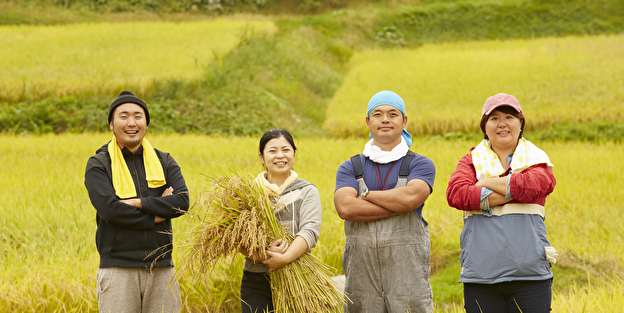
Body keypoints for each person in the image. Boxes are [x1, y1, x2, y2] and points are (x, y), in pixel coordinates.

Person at [446, 93, 557, 313]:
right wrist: (515, 191)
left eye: (509, 116)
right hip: (481, 276)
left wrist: (485, 182)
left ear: (520, 123)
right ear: (484, 126)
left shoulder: (536, 159)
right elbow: (456, 194)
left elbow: (537, 185)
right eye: (494, 118)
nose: (502, 124)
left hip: (530, 275)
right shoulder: (471, 161)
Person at [84, 91, 189, 313]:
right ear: (112, 124)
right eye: (124, 116)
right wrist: (158, 213)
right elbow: (111, 211)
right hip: (118, 269)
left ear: (146, 124)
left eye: (138, 116)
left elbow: (181, 201)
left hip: (161, 269)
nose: (131, 123)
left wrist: (137, 202)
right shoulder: (99, 164)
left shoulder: (163, 161)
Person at [334, 90, 436, 312]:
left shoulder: (420, 164)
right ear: (368, 121)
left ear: (404, 121)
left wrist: (369, 195)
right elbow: (345, 207)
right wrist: (398, 205)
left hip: (407, 280)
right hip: (361, 279)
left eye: (393, 113)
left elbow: (410, 197)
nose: (385, 119)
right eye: (378, 114)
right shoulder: (351, 167)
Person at [238, 128, 323, 313]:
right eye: (272, 150)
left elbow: (310, 231)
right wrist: (262, 256)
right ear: (262, 157)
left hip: (299, 278)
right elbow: (236, 237)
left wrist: (284, 258)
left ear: (294, 153)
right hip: (256, 281)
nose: (280, 155)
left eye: (286, 150)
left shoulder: (307, 191)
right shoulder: (248, 194)